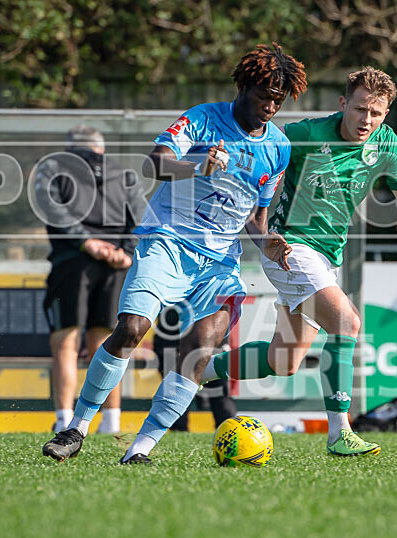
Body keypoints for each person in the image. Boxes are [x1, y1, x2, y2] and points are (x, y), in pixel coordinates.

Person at [42, 43, 307, 463]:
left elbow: (255, 217)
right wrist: (197, 165)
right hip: (167, 241)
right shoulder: (202, 119)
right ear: (243, 86)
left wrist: (267, 241)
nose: (270, 106)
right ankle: (76, 428)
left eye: (278, 99)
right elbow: (156, 163)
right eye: (263, 96)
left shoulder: (278, 147)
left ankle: (140, 449)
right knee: (131, 329)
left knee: (202, 346)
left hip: (220, 260)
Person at [198, 66, 397, 456]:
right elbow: (259, 160)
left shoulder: (387, 146)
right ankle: (340, 433)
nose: (366, 120)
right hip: (289, 249)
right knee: (347, 321)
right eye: (360, 109)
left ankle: (195, 368)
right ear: (343, 104)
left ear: (386, 114)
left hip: (327, 256)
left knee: (282, 361)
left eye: (377, 113)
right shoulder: (305, 134)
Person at [34, 125, 144, 434]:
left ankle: (64, 418)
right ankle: (110, 422)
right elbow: (141, 219)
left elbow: (52, 210)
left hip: (71, 263)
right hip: (115, 266)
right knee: (109, 344)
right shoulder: (124, 174)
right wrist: (125, 251)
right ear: (102, 148)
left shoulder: (54, 168)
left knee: (65, 341)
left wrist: (87, 242)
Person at [152, 304, 236, 430]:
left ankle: (231, 434)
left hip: (210, 334)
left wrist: (223, 341)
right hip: (172, 335)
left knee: (221, 397)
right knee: (174, 395)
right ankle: (177, 437)